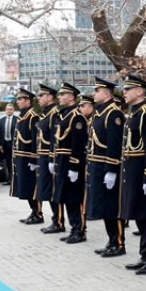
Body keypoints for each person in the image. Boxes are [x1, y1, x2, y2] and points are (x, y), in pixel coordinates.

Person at [121, 76, 146, 275]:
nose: (125, 92)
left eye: (129, 89)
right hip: (132, 169)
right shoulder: (133, 114)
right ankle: (144, 254)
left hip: (142, 171)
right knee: (138, 214)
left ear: (140, 92)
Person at [87, 77, 126, 257]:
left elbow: (114, 143)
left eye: (97, 90)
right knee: (103, 205)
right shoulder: (100, 112)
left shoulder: (113, 114)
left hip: (106, 166)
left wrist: (111, 169)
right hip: (97, 164)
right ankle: (111, 240)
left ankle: (118, 243)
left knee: (111, 205)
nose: (94, 94)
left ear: (107, 93)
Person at [52, 83, 87, 244]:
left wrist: (74, 166)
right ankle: (74, 228)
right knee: (66, 195)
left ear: (71, 97)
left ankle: (80, 230)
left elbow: (78, 143)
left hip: (72, 161)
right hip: (62, 160)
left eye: (62, 94)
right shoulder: (64, 115)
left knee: (74, 196)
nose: (59, 97)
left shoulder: (77, 117)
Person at [35, 84, 65, 233]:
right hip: (43, 155)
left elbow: (55, 138)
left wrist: (52, 159)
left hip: (49, 156)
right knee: (47, 190)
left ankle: (59, 221)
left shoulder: (54, 113)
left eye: (41, 96)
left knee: (53, 191)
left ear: (49, 97)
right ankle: (56, 219)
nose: (38, 98)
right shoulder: (46, 113)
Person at [11, 88, 43, 223]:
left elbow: (36, 139)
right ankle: (33, 211)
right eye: (18, 99)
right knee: (24, 187)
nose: (18, 102)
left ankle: (38, 213)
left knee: (31, 186)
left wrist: (34, 159)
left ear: (28, 101)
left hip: (28, 158)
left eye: (20, 99)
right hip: (20, 157)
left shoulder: (33, 116)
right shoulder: (22, 116)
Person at [0, 102, 17, 184]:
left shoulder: (17, 119)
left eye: (10, 109)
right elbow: (1, 133)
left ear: (13, 110)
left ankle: (16, 179)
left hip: (14, 144)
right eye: (7, 109)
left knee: (15, 162)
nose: (9, 111)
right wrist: (0, 145)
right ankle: (10, 179)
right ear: (5, 110)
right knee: (8, 162)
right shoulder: (2, 120)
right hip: (5, 143)